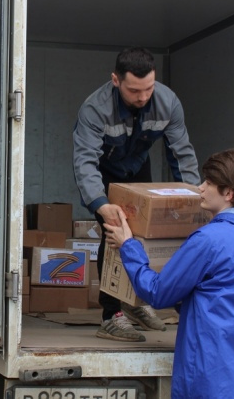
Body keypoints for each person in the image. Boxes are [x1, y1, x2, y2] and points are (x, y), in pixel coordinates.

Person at [105, 148, 234, 398]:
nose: (200, 188)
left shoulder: (211, 239)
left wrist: (128, 245)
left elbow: (158, 292)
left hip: (212, 377)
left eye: (209, 183)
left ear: (228, 193)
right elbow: (227, 299)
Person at [72, 47, 200, 342]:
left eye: (148, 88)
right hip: (104, 174)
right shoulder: (95, 109)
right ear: (115, 80)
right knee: (116, 234)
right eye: (134, 90)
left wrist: (195, 199)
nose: (143, 97)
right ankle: (111, 315)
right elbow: (85, 161)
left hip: (138, 170)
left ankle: (136, 303)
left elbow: (181, 154)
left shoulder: (167, 103)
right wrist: (100, 203)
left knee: (147, 234)